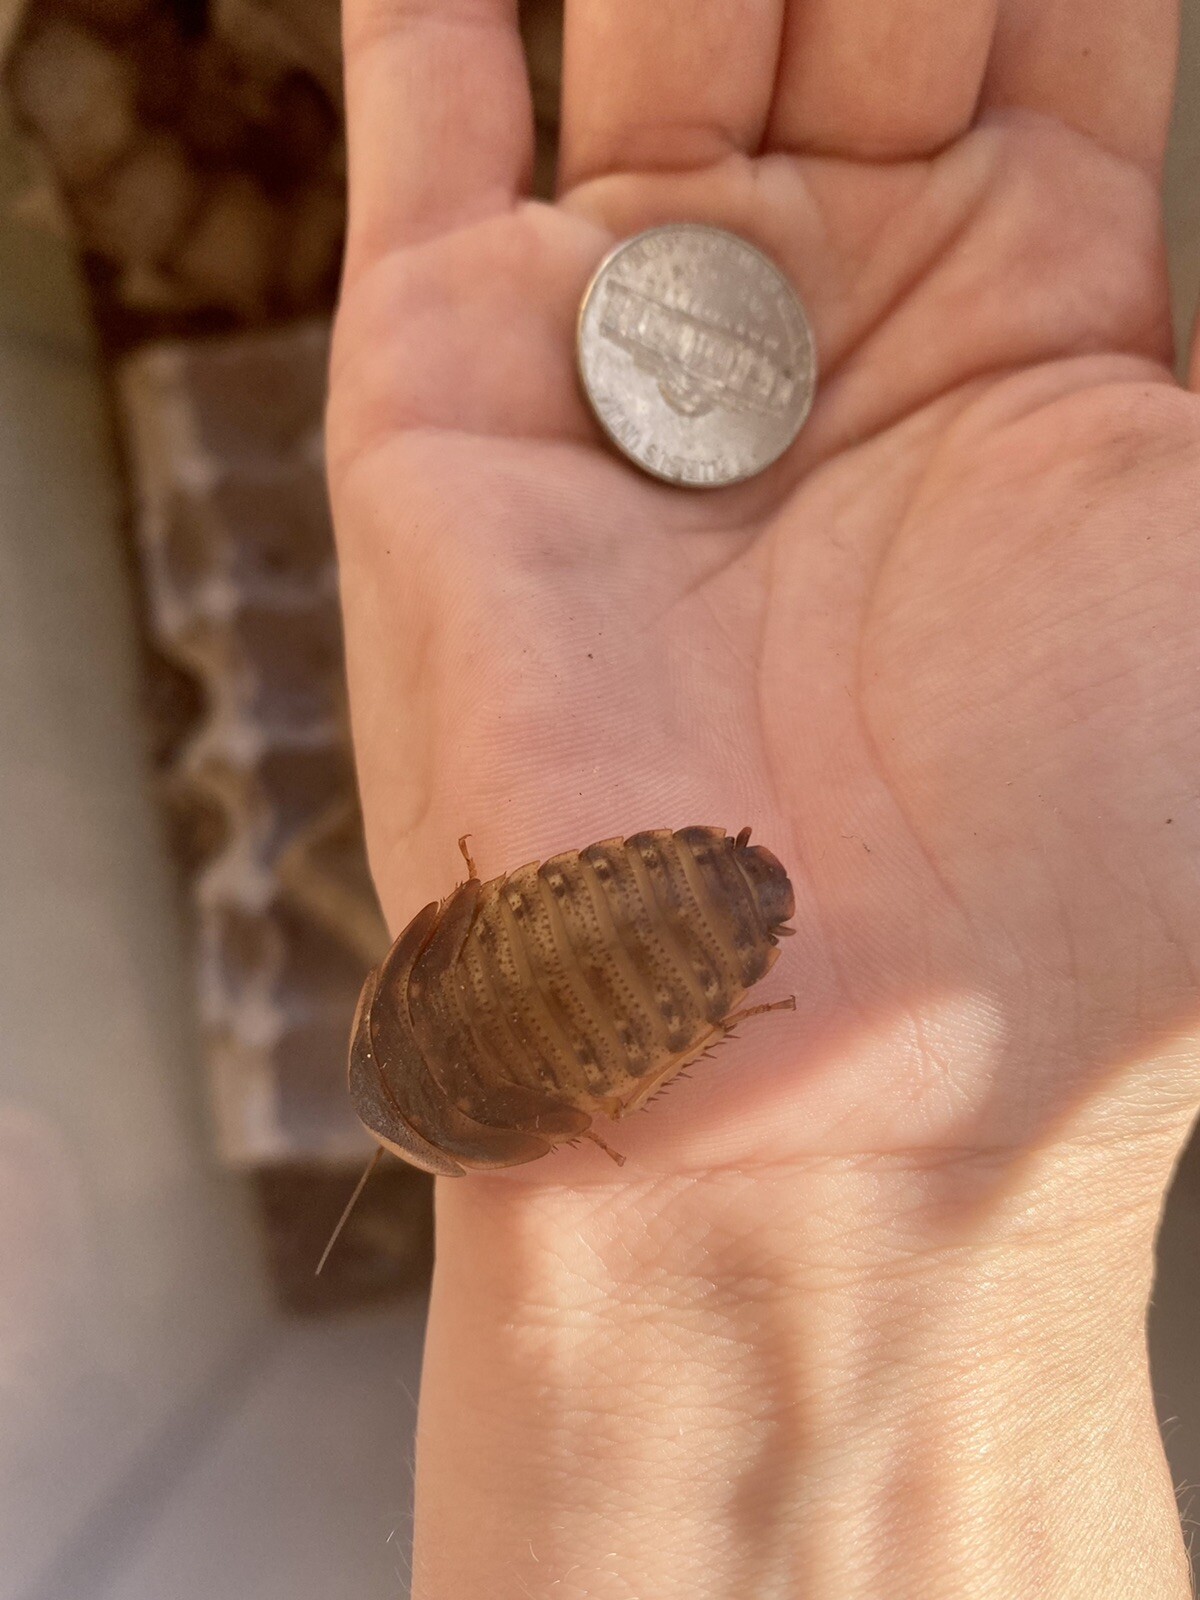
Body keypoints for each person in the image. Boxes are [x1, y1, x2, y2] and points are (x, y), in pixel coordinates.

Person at [326, 1, 1200, 1593]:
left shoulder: (526, 1114)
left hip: (659, 972)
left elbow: (570, 1085)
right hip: (642, 925)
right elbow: (484, 919)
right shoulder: (440, 997)